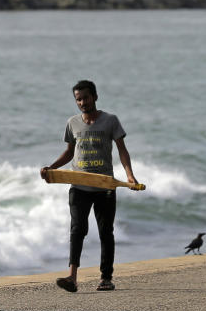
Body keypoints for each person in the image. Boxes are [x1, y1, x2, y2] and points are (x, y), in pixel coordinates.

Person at [40, 80, 137, 293]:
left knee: (105, 232)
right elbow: (69, 152)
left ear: (95, 96)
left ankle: (106, 278)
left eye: (85, 97)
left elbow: (122, 150)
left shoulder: (110, 121)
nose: (82, 102)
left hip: (104, 186)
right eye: (78, 99)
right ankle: (72, 278)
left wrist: (129, 176)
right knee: (77, 229)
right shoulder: (72, 123)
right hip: (79, 186)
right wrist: (51, 168)